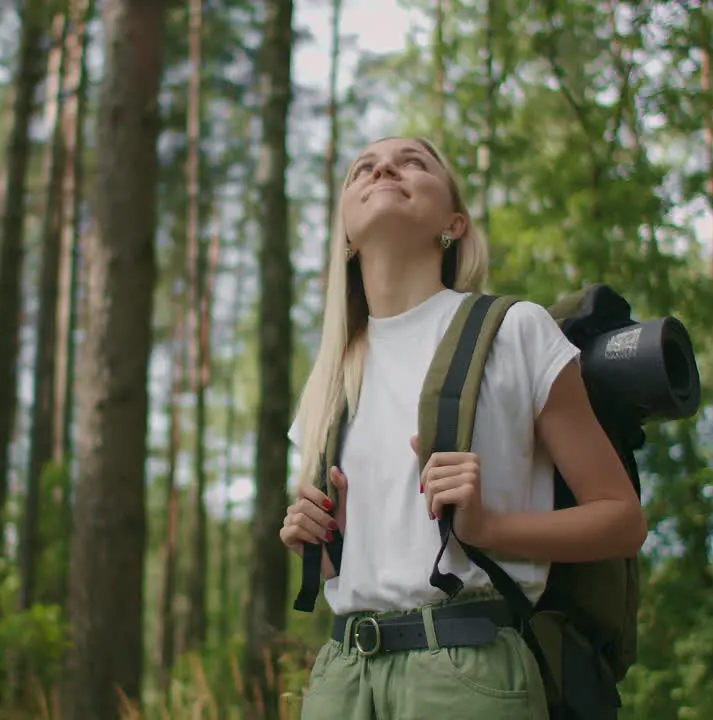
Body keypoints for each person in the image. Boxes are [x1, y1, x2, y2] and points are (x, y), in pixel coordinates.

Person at [277, 136, 648, 719]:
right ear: (346, 237)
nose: (384, 170)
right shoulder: (329, 378)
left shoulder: (513, 331)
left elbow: (622, 521)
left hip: (467, 667)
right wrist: (316, 543)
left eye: (412, 162)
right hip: (339, 678)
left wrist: (490, 526)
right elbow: (343, 569)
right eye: (363, 170)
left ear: (453, 224)